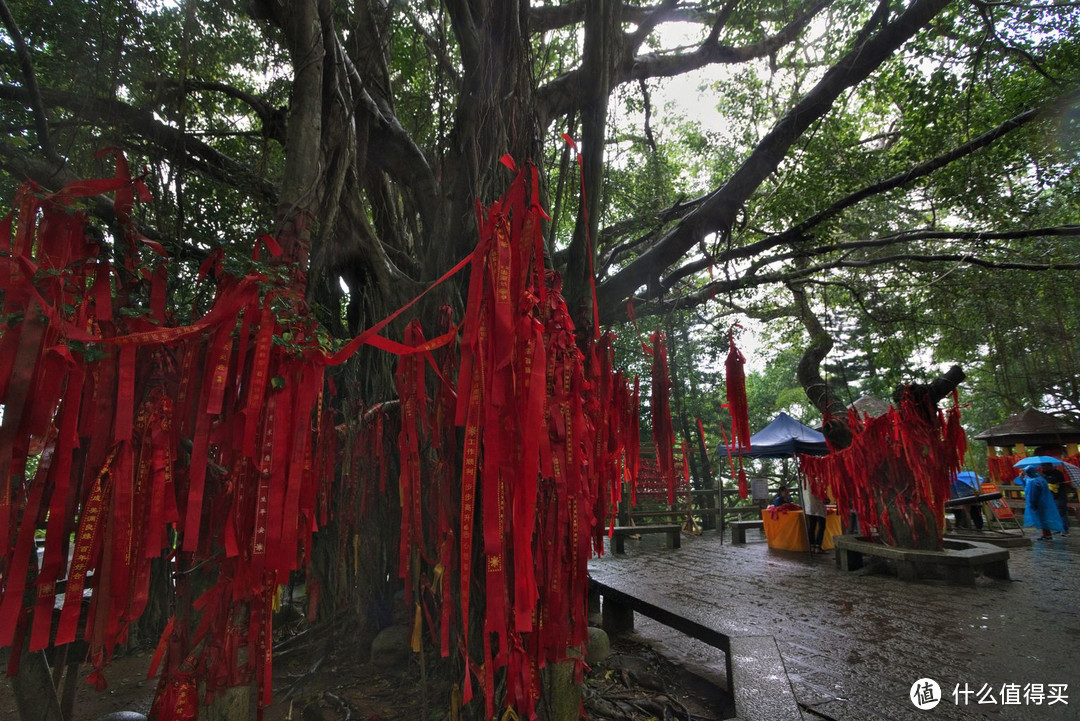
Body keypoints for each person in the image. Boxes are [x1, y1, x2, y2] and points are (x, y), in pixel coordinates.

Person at [1021, 466, 1064, 541]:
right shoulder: (1040, 479)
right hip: (1045, 502)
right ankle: (1047, 534)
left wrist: (1032, 503)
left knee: (1042, 519)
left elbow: (1033, 494)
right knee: (1045, 518)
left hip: (1039, 503)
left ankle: (1047, 535)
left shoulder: (1033, 481)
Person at [1041, 462, 1071, 537]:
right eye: (1043, 466)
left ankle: (1065, 529)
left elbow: (1053, 481)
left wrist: (1045, 477)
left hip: (1059, 496)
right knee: (1054, 513)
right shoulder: (1043, 473)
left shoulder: (1057, 473)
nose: (1044, 468)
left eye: (1045, 466)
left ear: (1050, 466)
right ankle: (1058, 528)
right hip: (1050, 497)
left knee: (1061, 512)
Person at [801, 480, 828, 554]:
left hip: (810, 507)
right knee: (821, 527)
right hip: (818, 506)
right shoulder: (816, 480)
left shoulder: (804, 481)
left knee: (812, 526)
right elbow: (821, 494)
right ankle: (817, 546)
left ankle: (812, 545)